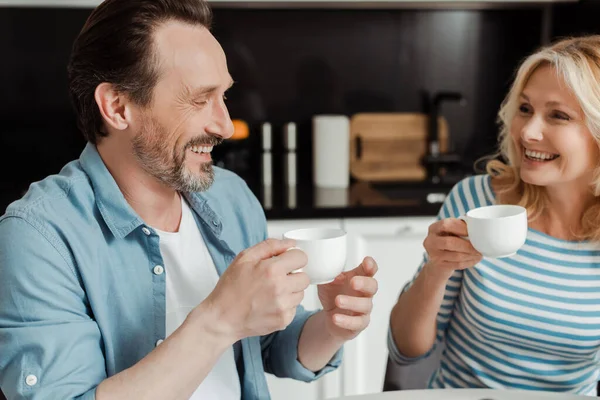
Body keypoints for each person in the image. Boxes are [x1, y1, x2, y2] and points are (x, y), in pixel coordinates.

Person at [0, 1, 379, 399]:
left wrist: (331, 326)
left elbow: (266, 346)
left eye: (224, 97)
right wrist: (219, 320)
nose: (226, 126)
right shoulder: (39, 238)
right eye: (200, 100)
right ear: (117, 106)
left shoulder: (230, 197)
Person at [389, 35, 600, 396]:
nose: (529, 133)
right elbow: (407, 350)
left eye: (558, 116)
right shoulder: (476, 202)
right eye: (525, 109)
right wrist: (436, 269)